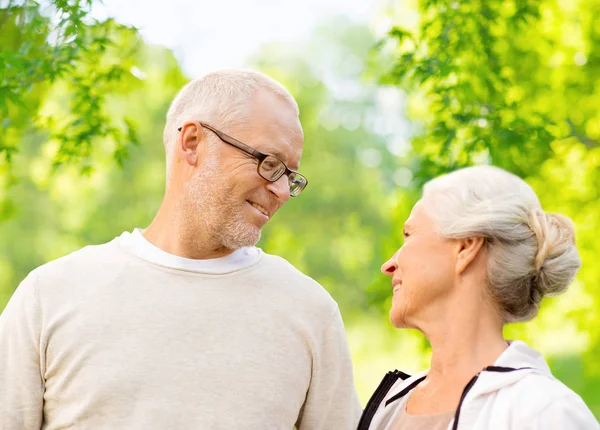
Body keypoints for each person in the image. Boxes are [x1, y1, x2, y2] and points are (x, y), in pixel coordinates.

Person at [0, 69, 362, 429]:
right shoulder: (49, 296)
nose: (282, 191)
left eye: (290, 176)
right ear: (192, 143)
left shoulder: (310, 312)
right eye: (269, 164)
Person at [358, 165, 599, 430]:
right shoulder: (389, 408)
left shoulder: (546, 413)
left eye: (409, 235)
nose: (389, 265)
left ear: (465, 247)